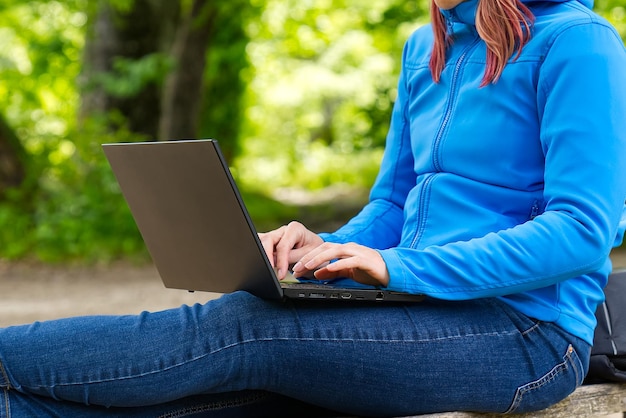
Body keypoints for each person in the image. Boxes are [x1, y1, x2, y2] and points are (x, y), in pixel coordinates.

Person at [1, 0, 626, 415]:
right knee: (214, 388)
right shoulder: (425, 47)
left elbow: (581, 231)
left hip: (527, 334)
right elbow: (393, 202)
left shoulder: (577, 44)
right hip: (418, 305)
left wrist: (399, 269)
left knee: (243, 327)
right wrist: (326, 251)